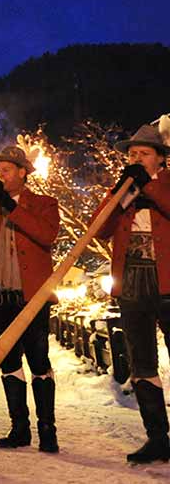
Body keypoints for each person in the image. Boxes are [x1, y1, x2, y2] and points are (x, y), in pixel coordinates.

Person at [0, 145, 60, 453]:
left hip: (32, 296)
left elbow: (46, 235)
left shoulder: (44, 203)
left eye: (5, 170)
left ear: (22, 172)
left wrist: (11, 207)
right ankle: (20, 428)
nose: (0, 175)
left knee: (39, 360)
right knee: (8, 362)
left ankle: (47, 430)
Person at [92, 123, 170, 463]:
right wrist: (120, 193)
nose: (136, 158)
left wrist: (148, 189)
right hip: (131, 279)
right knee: (142, 360)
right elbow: (101, 228)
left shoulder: (166, 185)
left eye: (144, 154)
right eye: (132, 154)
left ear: (160, 160)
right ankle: (158, 437)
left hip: (167, 280)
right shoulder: (123, 191)